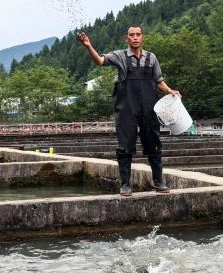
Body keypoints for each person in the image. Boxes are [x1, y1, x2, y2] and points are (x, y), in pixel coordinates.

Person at [76, 26, 182, 196]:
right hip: (127, 107)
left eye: (138, 35)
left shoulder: (151, 58)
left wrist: (170, 91)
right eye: (131, 35)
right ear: (127, 38)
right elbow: (100, 61)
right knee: (125, 146)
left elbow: (159, 81)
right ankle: (125, 185)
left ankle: (159, 182)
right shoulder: (120, 56)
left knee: (153, 143)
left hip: (149, 106)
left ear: (142, 37)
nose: (135, 38)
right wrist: (88, 45)